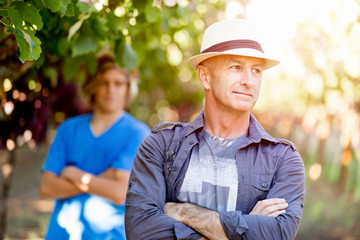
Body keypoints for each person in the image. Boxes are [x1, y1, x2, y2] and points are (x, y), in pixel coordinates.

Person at [125, 19, 305, 240]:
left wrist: (184, 212)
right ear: (205, 76)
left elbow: (277, 234)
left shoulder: (283, 160)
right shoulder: (160, 145)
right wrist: (243, 228)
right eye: (235, 67)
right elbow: (141, 230)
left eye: (256, 70)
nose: (249, 81)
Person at [39, 54, 150, 240]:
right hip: (61, 233)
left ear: (128, 88)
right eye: (103, 82)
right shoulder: (68, 129)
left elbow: (119, 192)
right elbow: (47, 188)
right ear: (92, 86)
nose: (110, 90)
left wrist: (74, 174)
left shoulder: (137, 134)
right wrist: (103, 178)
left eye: (118, 83)